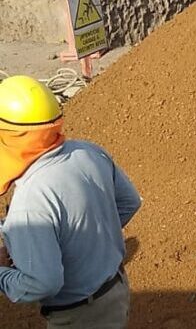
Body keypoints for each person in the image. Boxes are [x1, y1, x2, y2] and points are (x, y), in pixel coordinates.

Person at [0, 75, 142, 327]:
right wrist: (81, 241)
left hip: (79, 317)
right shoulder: (88, 152)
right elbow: (129, 202)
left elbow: (42, 283)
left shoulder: (30, 200)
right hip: (115, 293)